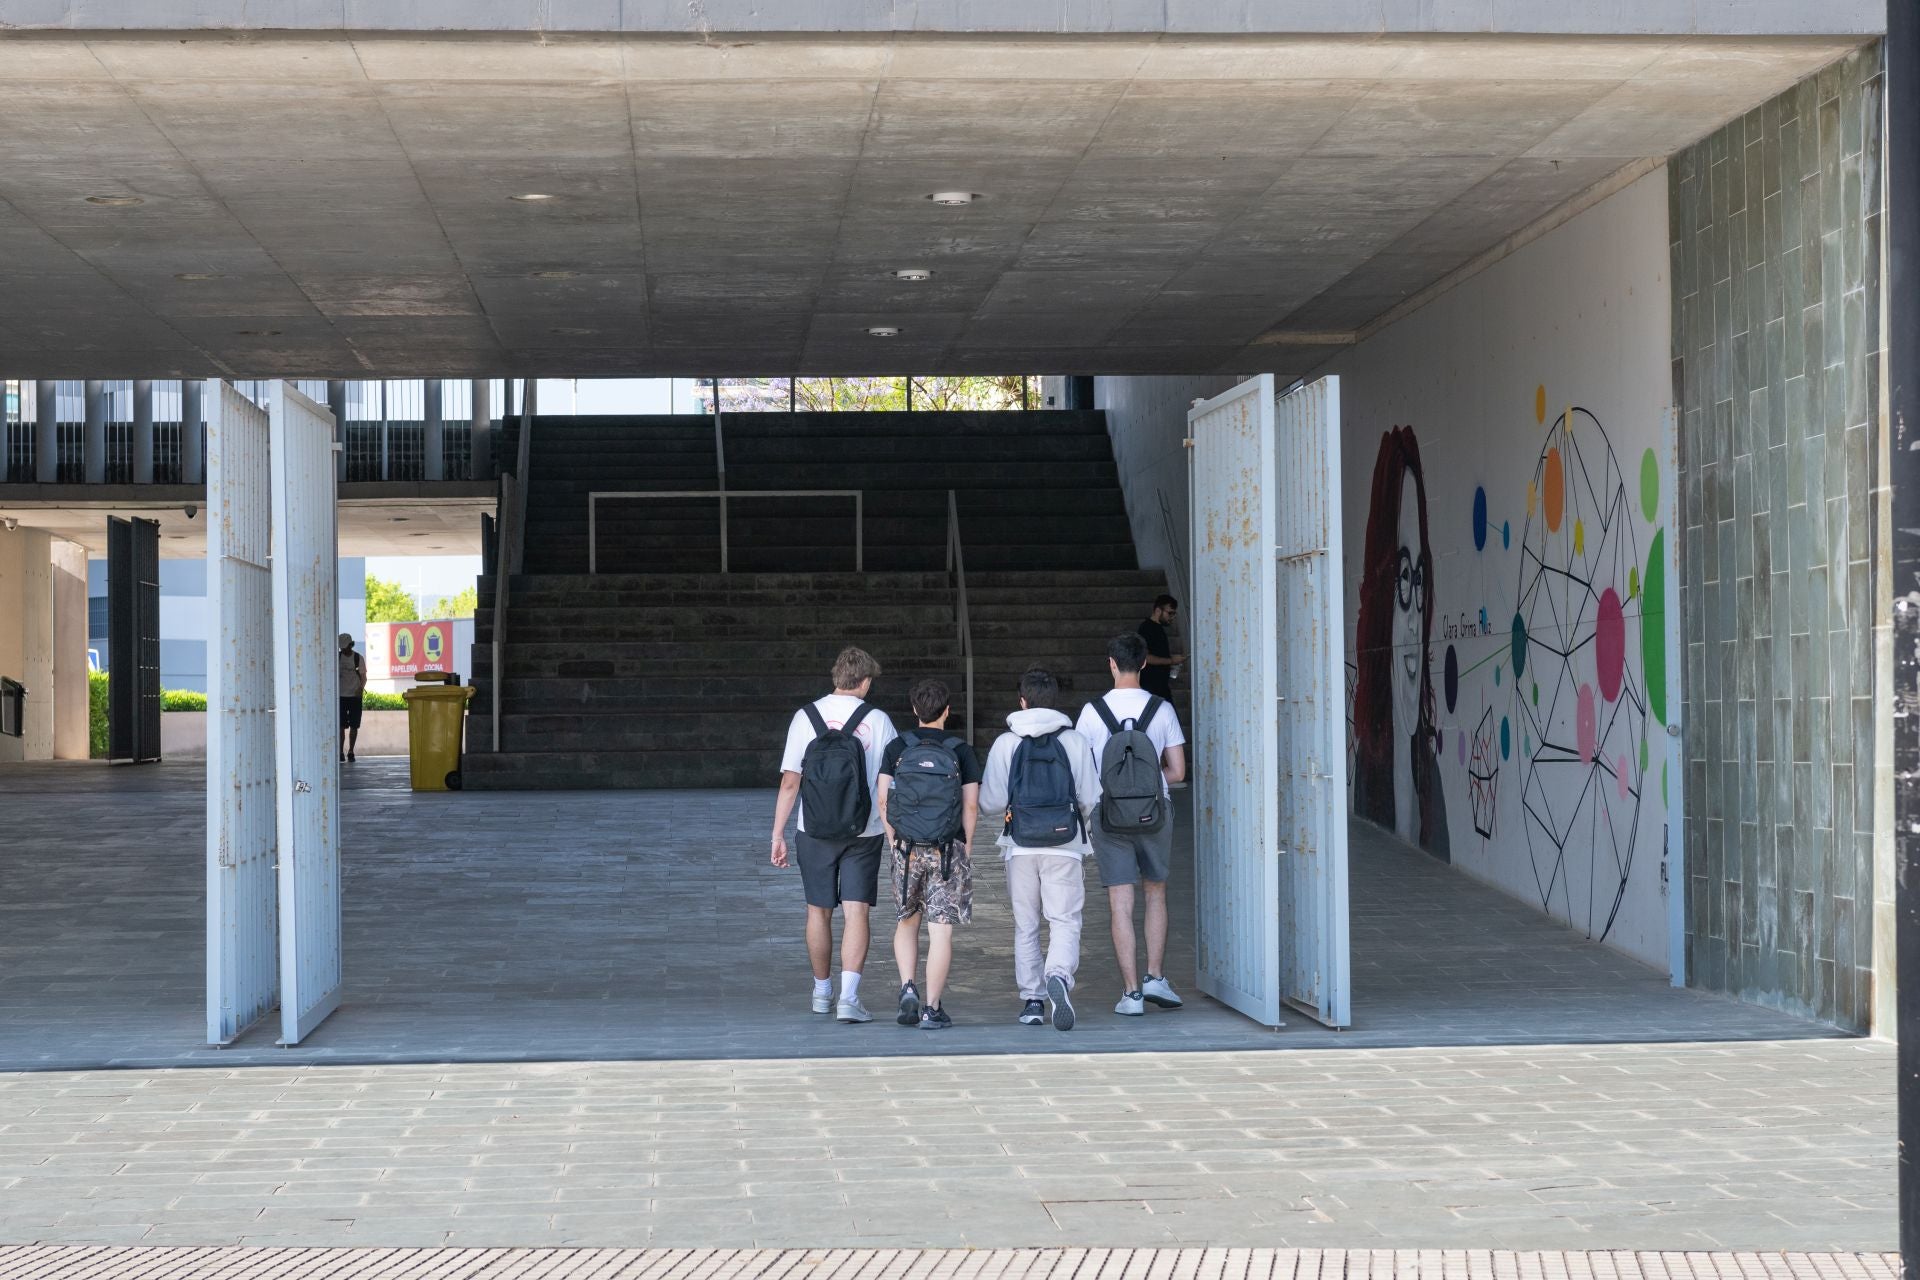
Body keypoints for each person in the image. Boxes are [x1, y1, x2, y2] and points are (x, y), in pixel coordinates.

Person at [771, 646, 898, 1024]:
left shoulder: (805, 717)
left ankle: (821, 993)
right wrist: (894, 836)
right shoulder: (878, 720)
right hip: (865, 829)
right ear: (866, 681)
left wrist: (777, 833)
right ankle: (850, 998)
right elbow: (887, 786)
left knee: (818, 910)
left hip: (813, 829)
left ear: (836, 677)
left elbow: (791, 781)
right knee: (857, 911)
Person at [978, 667, 1100, 1031]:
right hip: (1065, 845)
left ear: (1022, 701)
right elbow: (1091, 797)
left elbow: (990, 802)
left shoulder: (1006, 743)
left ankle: (1032, 1000)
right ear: (1055, 701)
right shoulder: (1074, 741)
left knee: (1026, 925)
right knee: (1064, 920)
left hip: (1020, 846)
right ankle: (1058, 975)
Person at [1076, 633, 1189, 1016]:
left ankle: (1130, 994)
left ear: (1111, 663)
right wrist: (1146, 781)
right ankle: (1155, 977)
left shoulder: (1092, 712)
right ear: (1144, 663)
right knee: (1155, 893)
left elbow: (1082, 774)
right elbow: (1176, 772)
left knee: (1119, 904)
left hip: (1109, 816)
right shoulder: (1162, 710)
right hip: (1155, 814)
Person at [877, 677, 982, 1031]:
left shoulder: (896, 748)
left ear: (914, 711)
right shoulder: (961, 750)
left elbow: (883, 799)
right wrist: (965, 845)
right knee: (941, 932)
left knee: (907, 921)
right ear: (947, 711)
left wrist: (893, 840)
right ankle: (931, 1008)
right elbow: (970, 804)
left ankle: (908, 986)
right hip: (947, 848)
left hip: (905, 848)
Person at [1137, 595, 1185, 700]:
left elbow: (1157, 654)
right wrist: (1171, 661)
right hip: (1152, 688)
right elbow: (1146, 657)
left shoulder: (1157, 628)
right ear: (1158, 610)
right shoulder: (1147, 628)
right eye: (1170, 613)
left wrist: (1171, 661)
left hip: (1159, 687)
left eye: (1174, 614)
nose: (1172, 617)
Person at [337, 633, 366, 763]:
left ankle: (351, 751)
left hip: (355, 696)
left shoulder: (358, 658)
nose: (343, 650)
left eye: (345, 647)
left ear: (350, 645)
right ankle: (340, 752)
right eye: (341, 648)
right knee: (341, 726)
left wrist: (360, 689)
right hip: (340, 697)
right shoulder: (337, 658)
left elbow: (363, 677)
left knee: (354, 726)